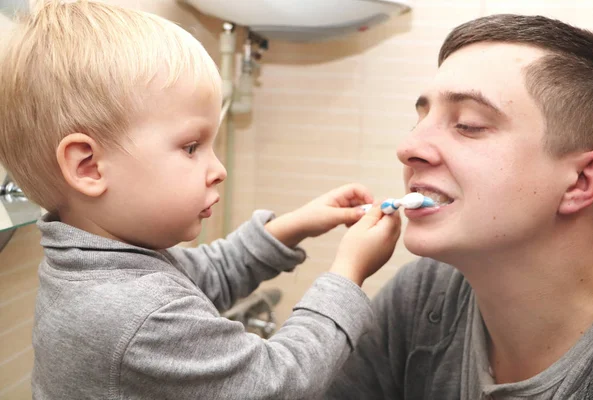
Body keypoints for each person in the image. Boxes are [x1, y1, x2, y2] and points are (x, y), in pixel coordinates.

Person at [0, 1, 402, 399]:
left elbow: (209, 274)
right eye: (192, 147)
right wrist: (348, 273)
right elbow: (281, 383)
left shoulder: (104, 267)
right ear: (88, 167)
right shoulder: (135, 312)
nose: (218, 169)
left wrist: (294, 225)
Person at [325, 14, 593, 400]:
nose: (408, 148)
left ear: (581, 181)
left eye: (468, 124)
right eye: (420, 119)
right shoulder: (424, 293)